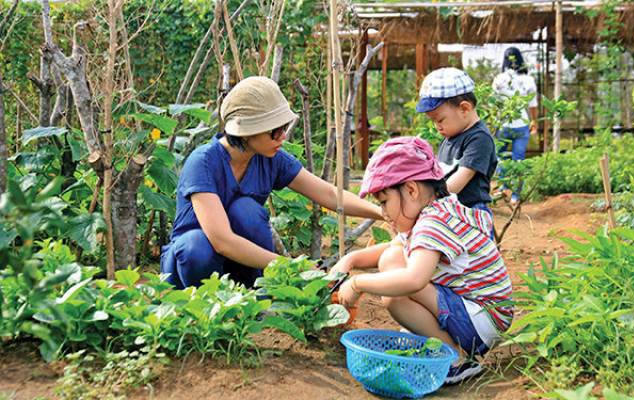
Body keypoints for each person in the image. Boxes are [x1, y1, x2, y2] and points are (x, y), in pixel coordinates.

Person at [161, 76, 382, 289]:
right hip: (190, 267)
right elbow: (222, 241)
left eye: (283, 128)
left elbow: (330, 195)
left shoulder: (270, 158)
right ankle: (197, 307)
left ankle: (253, 293)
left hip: (239, 267)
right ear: (248, 131)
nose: (283, 137)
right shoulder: (203, 163)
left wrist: (382, 212)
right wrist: (293, 266)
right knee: (197, 245)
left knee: (245, 210)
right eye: (275, 131)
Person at [332, 137, 513, 385]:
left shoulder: (432, 223)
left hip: (481, 322)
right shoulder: (434, 209)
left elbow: (414, 280)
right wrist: (350, 260)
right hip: (478, 314)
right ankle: (432, 337)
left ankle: (455, 359)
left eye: (385, 202)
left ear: (411, 190)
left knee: (395, 296)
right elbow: (396, 247)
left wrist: (357, 284)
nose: (383, 212)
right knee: (392, 256)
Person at [416, 67, 497, 221]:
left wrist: (429, 200)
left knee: (475, 246)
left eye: (440, 120)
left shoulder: (479, 138)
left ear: (464, 108)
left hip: (471, 212)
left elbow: (462, 176)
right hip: (450, 209)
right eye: (433, 121)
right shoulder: (451, 136)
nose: (437, 126)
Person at [492, 47, 538, 205]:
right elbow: (532, 104)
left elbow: (495, 104)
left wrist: (495, 121)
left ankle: (503, 187)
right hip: (522, 124)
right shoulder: (528, 80)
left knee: (499, 157)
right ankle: (516, 196)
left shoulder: (499, 79)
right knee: (519, 161)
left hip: (503, 123)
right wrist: (534, 121)